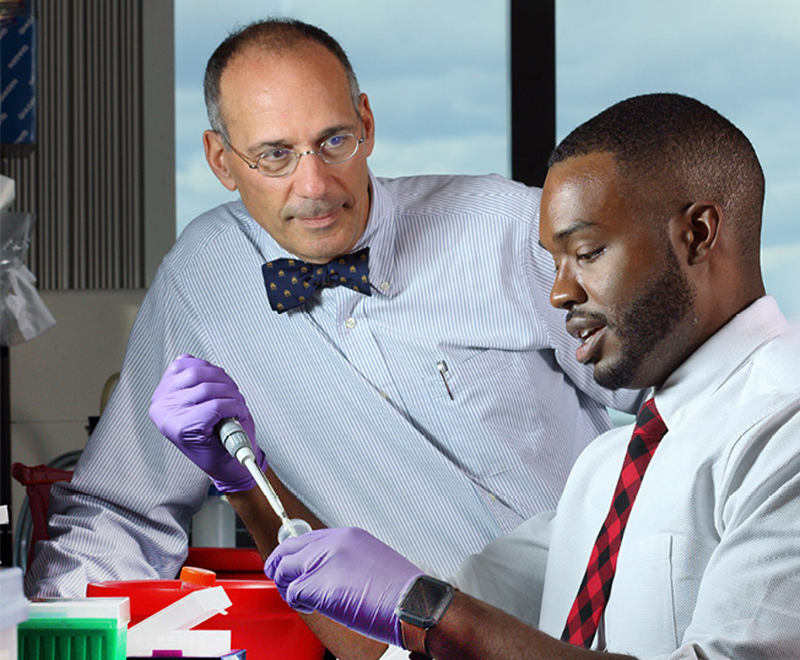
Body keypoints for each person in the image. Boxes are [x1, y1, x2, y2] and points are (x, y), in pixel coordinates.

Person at [25, 18, 639, 597]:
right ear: (222, 162)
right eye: (274, 155)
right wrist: (51, 622)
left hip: (604, 614)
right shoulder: (202, 278)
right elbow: (125, 512)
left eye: (333, 141)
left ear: (366, 123)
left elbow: (674, 397)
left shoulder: (504, 228)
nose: (314, 185)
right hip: (411, 645)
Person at [261, 93, 800, 659]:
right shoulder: (607, 469)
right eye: (554, 261)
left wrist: (436, 611)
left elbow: (453, 620)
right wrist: (247, 480)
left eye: (587, 252)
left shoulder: (783, 427)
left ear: (697, 233)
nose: (560, 292)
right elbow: (442, 632)